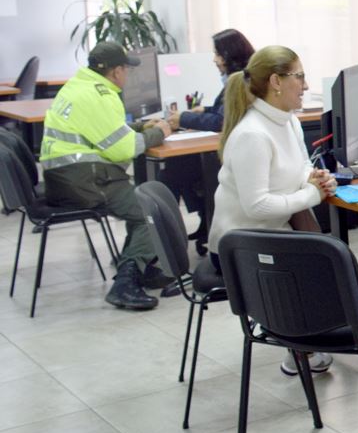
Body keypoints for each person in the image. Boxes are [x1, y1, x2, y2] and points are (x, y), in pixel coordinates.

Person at [210, 44, 338, 376]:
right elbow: (257, 206)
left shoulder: (288, 122)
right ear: (276, 82)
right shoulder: (252, 134)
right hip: (241, 246)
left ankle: (311, 338)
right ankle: (300, 344)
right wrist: (311, 195)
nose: (305, 86)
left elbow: (297, 168)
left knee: (330, 259)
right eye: (300, 77)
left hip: (272, 232)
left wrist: (314, 178)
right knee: (323, 263)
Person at [39, 41, 174, 311]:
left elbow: (101, 131)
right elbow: (123, 148)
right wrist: (159, 132)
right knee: (150, 212)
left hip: (64, 178)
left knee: (138, 203)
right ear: (116, 71)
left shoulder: (78, 85)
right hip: (84, 181)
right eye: (126, 69)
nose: (128, 75)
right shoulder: (100, 96)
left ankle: (139, 265)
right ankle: (125, 283)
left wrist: (138, 126)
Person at [163, 28, 255, 251]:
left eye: (217, 54)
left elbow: (221, 121)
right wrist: (205, 109)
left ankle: (169, 238)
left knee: (175, 171)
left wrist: (183, 118)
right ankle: (204, 221)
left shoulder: (239, 80)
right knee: (178, 166)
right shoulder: (237, 78)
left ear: (229, 55)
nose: (214, 59)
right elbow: (224, 110)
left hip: (231, 154)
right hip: (227, 150)